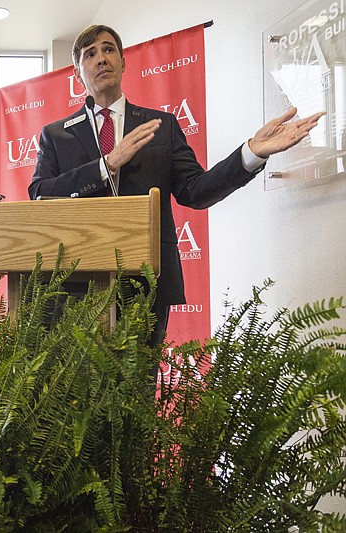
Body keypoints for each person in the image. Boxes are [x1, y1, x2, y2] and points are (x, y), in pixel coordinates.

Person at [29, 24, 325, 346]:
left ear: (124, 62)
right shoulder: (57, 135)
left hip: (148, 280)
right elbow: (40, 193)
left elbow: (195, 191)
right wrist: (107, 165)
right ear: (77, 73)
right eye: (90, 54)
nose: (101, 59)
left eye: (108, 49)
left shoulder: (162, 126)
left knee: (139, 387)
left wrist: (251, 153)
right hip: (78, 282)